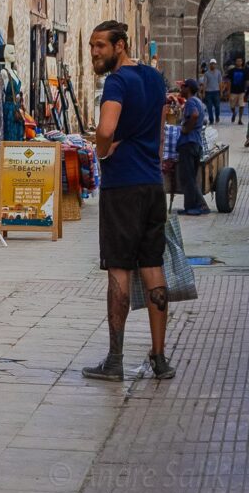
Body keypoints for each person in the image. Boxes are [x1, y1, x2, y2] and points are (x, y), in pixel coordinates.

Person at [83, 20, 175, 381]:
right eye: (91, 46)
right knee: (153, 265)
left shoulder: (116, 82)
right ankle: (159, 356)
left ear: (120, 46)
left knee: (119, 267)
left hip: (122, 186)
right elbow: (159, 129)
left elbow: (105, 130)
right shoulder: (154, 78)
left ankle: (115, 359)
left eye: (100, 46)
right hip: (152, 185)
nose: (94, 52)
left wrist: (102, 150)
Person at [177, 79, 209, 216]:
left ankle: (192, 207)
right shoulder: (198, 101)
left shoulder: (190, 102)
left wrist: (186, 129)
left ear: (188, 88)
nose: (180, 90)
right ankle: (199, 205)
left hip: (188, 143)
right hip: (195, 143)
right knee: (190, 177)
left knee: (187, 177)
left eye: (182, 87)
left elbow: (194, 115)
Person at [225, 57, 247, 124]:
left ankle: (240, 119)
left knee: (242, 105)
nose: (239, 62)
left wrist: (246, 90)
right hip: (233, 91)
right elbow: (229, 81)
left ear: (242, 62)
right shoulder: (232, 71)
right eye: (237, 61)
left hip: (242, 91)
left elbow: (247, 81)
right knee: (232, 106)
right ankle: (234, 113)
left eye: (240, 61)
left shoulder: (244, 71)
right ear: (235, 62)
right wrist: (228, 90)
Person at [203, 58, 222, 124]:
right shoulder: (206, 73)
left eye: (214, 64)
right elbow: (205, 83)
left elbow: (220, 82)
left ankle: (217, 117)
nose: (213, 65)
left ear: (215, 65)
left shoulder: (218, 73)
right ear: (210, 65)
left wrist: (221, 91)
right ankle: (211, 119)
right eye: (211, 64)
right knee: (209, 107)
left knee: (217, 106)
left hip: (216, 91)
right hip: (208, 92)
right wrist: (203, 92)